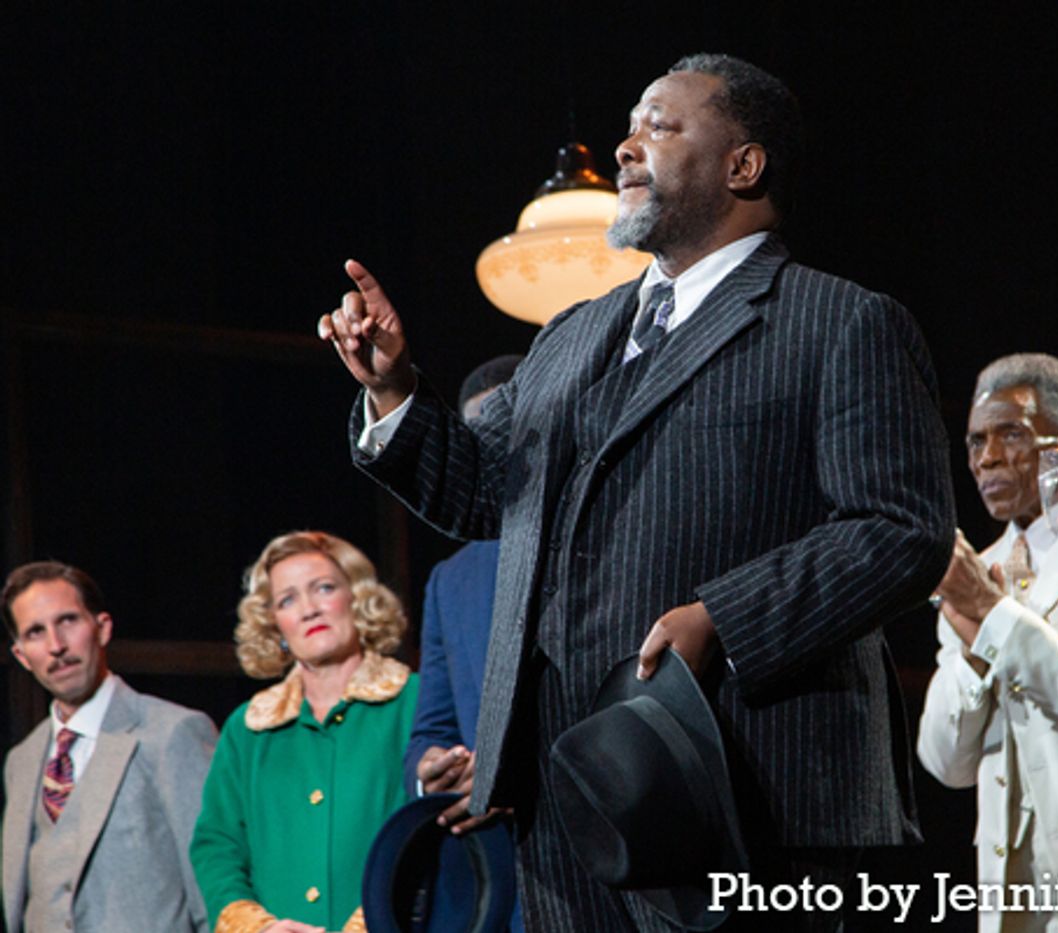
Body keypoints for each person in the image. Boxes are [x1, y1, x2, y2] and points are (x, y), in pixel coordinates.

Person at [319, 53, 954, 931]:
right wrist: (394, 393)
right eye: (629, 123)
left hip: (741, 792)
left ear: (744, 164)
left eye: (659, 124)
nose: (625, 146)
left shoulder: (840, 321)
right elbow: (480, 494)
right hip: (561, 796)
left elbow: (901, 530)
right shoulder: (573, 334)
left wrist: (724, 620)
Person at [916, 354, 1058, 932]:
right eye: (975, 442)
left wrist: (992, 616)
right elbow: (946, 764)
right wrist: (973, 648)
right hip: (1014, 900)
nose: (987, 458)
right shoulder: (976, 570)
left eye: (1011, 434)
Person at [190, 531, 419, 933]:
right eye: (288, 600)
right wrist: (259, 928)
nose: (310, 609)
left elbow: (429, 831)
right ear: (274, 624)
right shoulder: (248, 729)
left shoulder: (414, 702)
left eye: (324, 588)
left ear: (357, 599)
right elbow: (218, 847)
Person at [1, 561, 217, 933]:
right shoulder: (22, 760)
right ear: (21, 656)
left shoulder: (173, 733)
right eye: (36, 632)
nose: (56, 646)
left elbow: (212, 891)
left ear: (101, 629)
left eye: (68, 621)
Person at [406, 355, 524, 932]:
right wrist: (431, 771)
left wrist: (515, 771)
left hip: (591, 865)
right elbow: (432, 728)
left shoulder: (607, 543)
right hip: (488, 883)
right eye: (480, 438)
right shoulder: (450, 579)